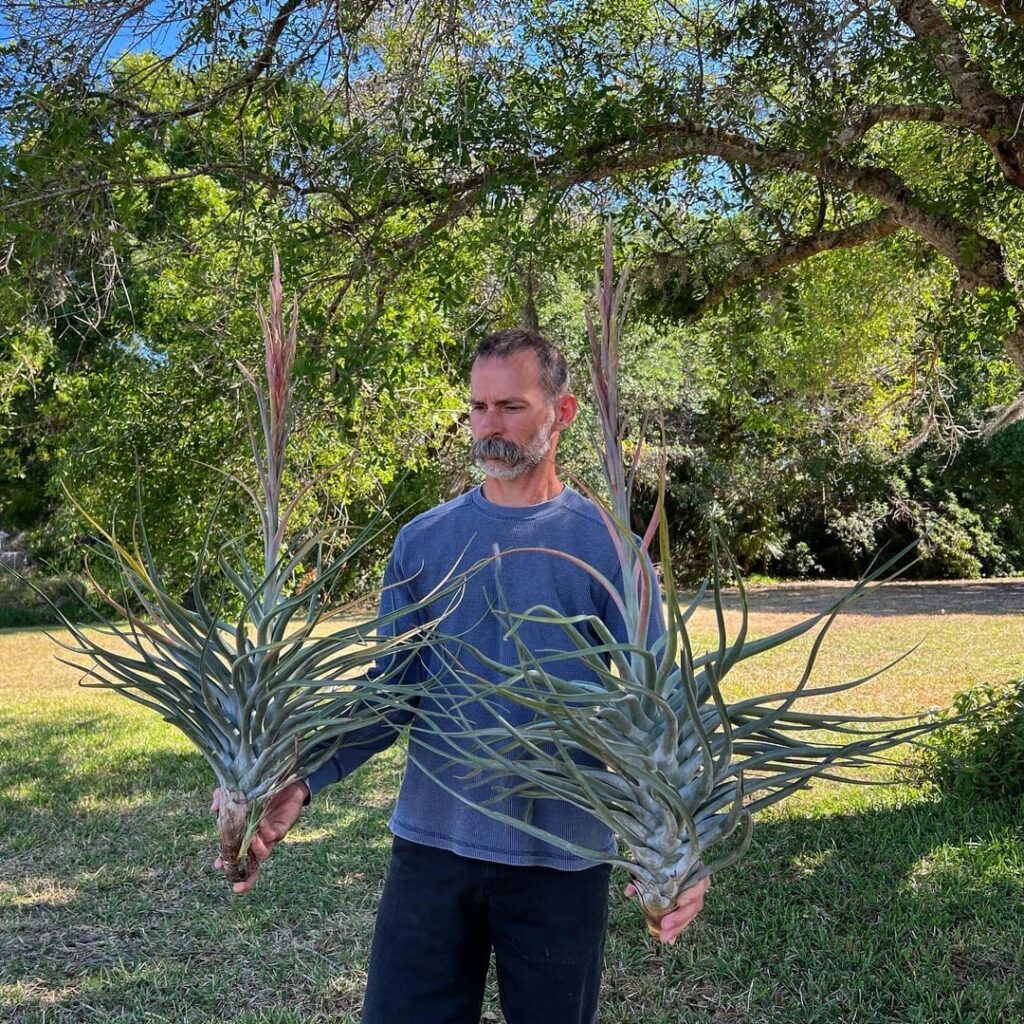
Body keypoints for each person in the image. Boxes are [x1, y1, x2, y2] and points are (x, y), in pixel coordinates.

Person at [212, 328, 709, 1023]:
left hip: (561, 864)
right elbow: (391, 691)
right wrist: (302, 780)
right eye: (477, 407)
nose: (488, 426)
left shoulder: (612, 551)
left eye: (510, 406)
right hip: (430, 850)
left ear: (562, 412)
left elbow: (662, 715)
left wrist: (686, 855)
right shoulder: (424, 540)